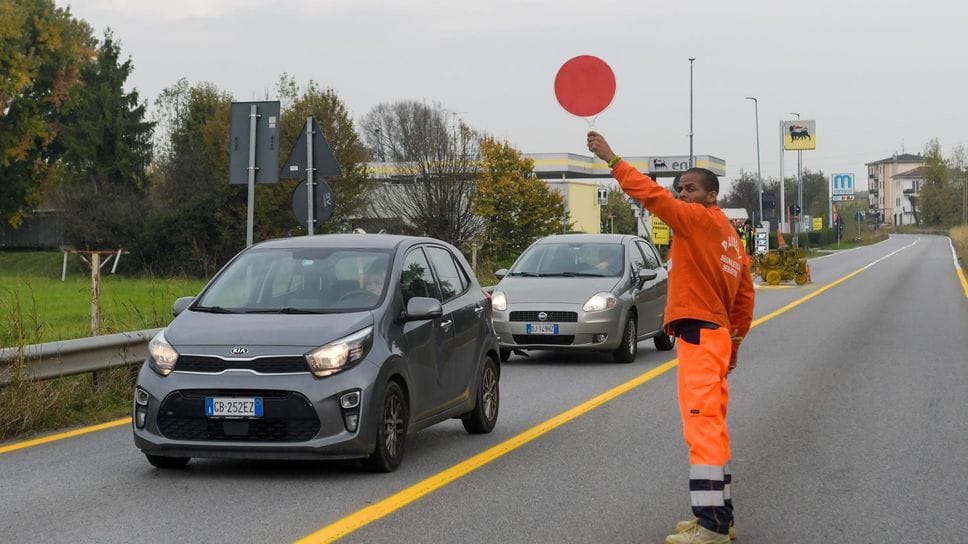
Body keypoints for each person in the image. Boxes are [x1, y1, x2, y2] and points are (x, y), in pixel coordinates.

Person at [587, 131, 755, 544]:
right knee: (713, 426)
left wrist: (612, 159)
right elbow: (745, 298)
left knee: (701, 427)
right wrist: (733, 345)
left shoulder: (695, 221)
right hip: (715, 337)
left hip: (699, 335)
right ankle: (721, 516)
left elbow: (651, 196)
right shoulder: (732, 239)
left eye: (691, 188)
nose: (682, 194)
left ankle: (712, 526)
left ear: (712, 196)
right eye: (680, 188)